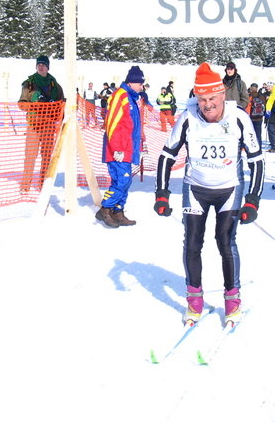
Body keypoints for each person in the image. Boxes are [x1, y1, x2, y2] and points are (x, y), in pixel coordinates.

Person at [154, 62, 264, 326]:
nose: (208, 105)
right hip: (195, 188)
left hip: (229, 188)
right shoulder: (188, 116)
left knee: (225, 241)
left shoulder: (238, 117)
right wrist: (161, 193)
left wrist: (253, 200)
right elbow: (167, 154)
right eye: (202, 99)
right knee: (192, 243)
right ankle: (194, 300)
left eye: (213, 98)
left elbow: (256, 159)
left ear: (222, 94)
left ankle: (232, 299)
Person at [95, 66, 145, 228]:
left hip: (127, 148)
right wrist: (117, 148)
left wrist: (139, 146)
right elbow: (113, 124)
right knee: (122, 180)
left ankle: (118, 211)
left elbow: (132, 126)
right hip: (118, 150)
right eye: (140, 83)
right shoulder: (120, 96)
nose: (142, 87)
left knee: (125, 181)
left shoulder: (131, 98)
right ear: (132, 82)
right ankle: (105, 208)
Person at [18, 55, 65, 191]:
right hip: (34, 124)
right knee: (30, 155)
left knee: (47, 155)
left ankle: (44, 184)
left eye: (43, 64)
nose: (41, 67)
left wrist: (55, 110)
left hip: (49, 124)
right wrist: (35, 104)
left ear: (48, 67)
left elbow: (62, 104)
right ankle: (25, 186)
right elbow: (21, 104)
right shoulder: (29, 84)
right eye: (39, 64)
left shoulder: (54, 85)